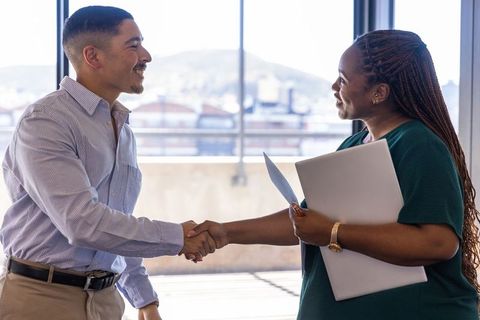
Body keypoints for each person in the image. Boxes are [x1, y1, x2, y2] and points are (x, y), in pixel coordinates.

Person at [189, 30, 480, 319]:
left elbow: (438, 242)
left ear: (379, 92)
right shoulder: (355, 144)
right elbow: (305, 221)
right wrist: (226, 232)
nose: (333, 86)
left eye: (343, 79)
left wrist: (333, 232)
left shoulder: (419, 145)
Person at [0, 6, 214, 320]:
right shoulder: (46, 121)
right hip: (40, 300)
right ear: (93, 56)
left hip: (106, 301)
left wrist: (144, 299)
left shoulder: (122, 129)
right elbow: (84, 223)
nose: (146, 56)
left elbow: (114, 224)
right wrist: (179, 237)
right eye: (134, 45)